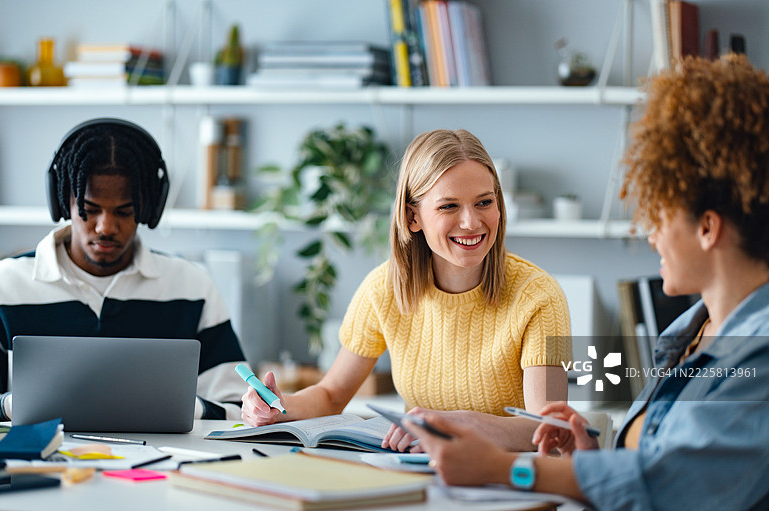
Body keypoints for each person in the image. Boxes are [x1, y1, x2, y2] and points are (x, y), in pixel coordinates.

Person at [406, 54, 769, 510]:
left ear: (708, 227)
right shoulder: (690, 332)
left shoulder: (760, 350)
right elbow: (654, 467)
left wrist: (502, 468)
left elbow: (671, 483)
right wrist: (589, 460)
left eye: (659, 213)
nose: (648, 233)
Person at [241, 129, 572, 452]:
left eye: (484, 202)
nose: (471, 222)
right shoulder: (382, 289)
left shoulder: (538, 296)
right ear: (413, 217)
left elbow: (546, 429)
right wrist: (280, 406)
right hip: (420, 480)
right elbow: (331, 394)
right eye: (449, 206)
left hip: (510, 487)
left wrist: (453, 424)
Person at [0, 118, 248, 423]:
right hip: (43, 469)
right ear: (63, 201)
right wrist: (14, 406)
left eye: (124, 212)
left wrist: (183, 406)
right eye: (89, 210)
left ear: (148, 209)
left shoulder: (192, 288)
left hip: (167, 469)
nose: (105, 227)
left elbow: (237, 410)